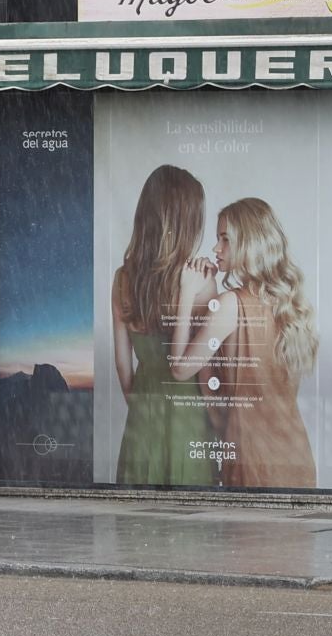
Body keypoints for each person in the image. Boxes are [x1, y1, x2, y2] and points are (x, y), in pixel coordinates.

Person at [169, 197, 319, 489]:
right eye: (217, 239)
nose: (216, 248)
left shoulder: (230, 305)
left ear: (250, 244)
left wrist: (188, 293)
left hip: (254, 458)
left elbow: (179, 369)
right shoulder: (290, 305)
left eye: (225, 239)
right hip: (296, 455)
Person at [112, 164, 216, 487]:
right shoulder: (201, 281)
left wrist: (141, 405)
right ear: (186, 223)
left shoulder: (122, 279)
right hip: (190, 417)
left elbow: (122, 365)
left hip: (143, 415)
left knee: (137, 520)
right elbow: (209, 369)